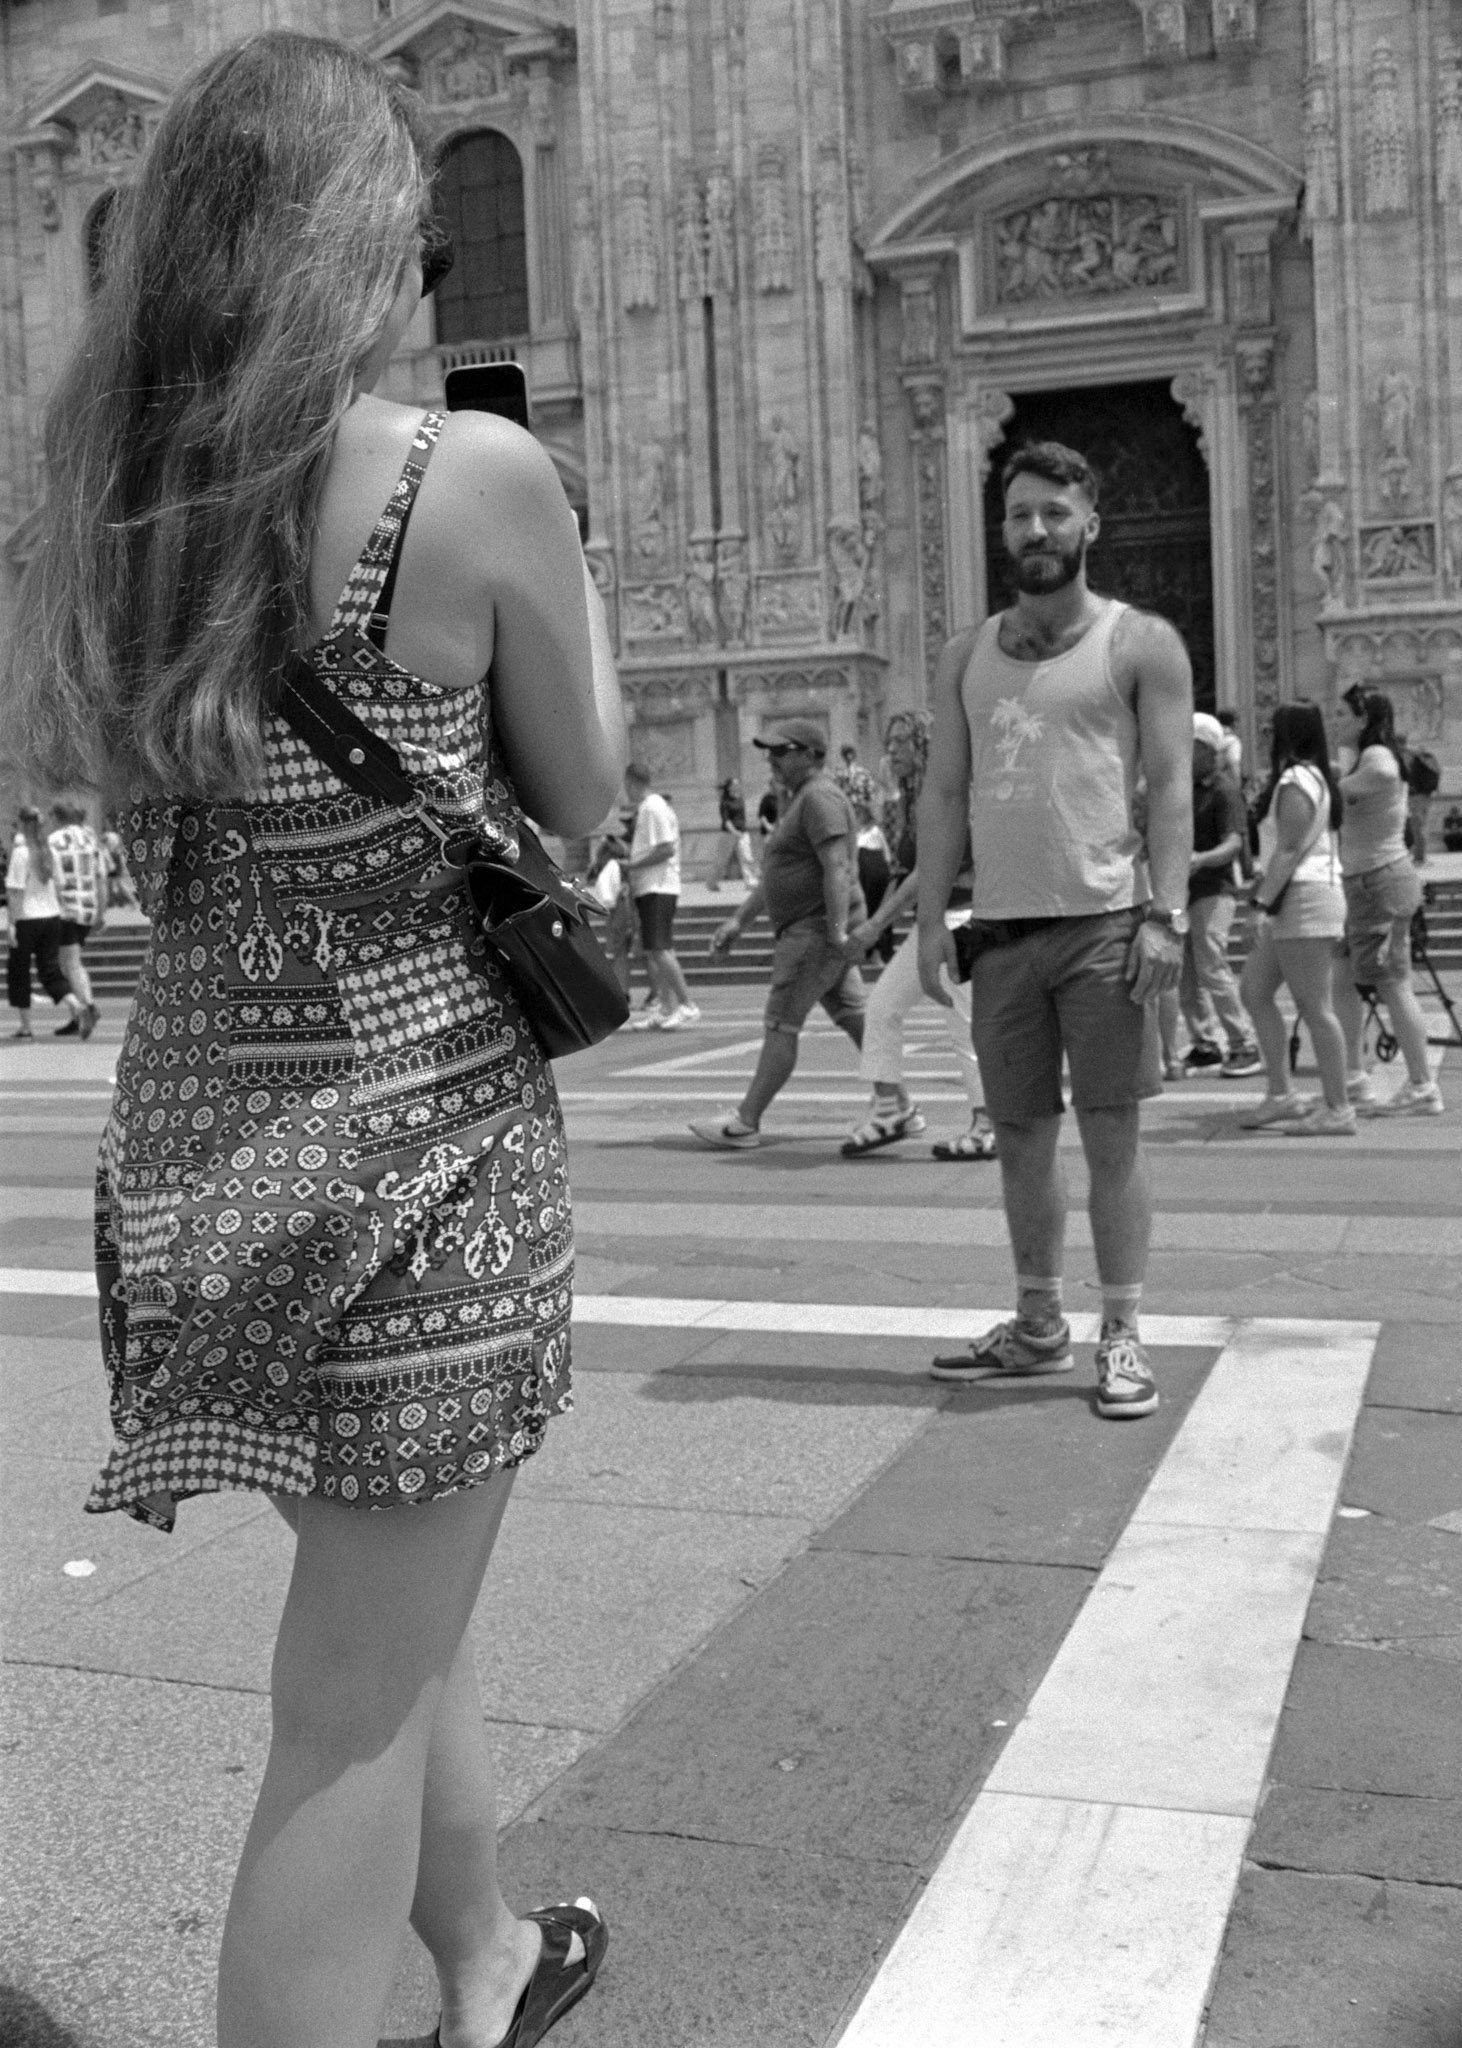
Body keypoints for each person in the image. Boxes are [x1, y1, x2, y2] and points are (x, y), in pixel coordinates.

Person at [1, 34, 625, 2048]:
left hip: (193, 1167)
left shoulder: (109, 519)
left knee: (384, 1602)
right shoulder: (467, 475)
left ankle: (487, 1948)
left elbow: (83, 775)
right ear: (362, 231)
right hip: (415, 1160)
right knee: (341, 1708)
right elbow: (584, 791)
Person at [915, 440, 1193, 1420]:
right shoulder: (966, 654)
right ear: (1004, 527)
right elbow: (942, 792)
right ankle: (1038, 1324)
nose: (1035, 529)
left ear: (1089, 524)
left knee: (1111, 1137)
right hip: (1000, 935)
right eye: (1019, 512)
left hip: (1107, 929)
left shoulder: (1140, 643)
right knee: (1020, 1139)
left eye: (1053, 512)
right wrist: (924, 918)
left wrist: (1167, 915)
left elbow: (1169, 793)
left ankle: (1121, 1332)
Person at [689, 719, 866, 1148]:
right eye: (769, 751)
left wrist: (838, 932)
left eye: (781, 751)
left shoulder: (819, 797)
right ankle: (897, 1101)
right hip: (818, 929)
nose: (771, 759)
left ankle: (746, 1121)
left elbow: (838, 868)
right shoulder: (800, 799)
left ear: (811, 754)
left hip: (814, 931)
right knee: (857, 1019)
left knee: (781, 1023)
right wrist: (739, 921)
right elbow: (778, 876)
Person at [841, 709, 997, 1161]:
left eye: (900, 742)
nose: (890, 751)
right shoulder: (913, 797)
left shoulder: (948, 793)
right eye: (889, 742)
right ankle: (891, 1107)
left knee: (962, 1024)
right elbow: (905, 870)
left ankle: (989, 1123)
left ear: (925, 744)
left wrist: (874, 926)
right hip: (933, 922)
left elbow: (930, 871)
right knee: (883, 1005)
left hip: (961, 922)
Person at [1237, 702, 1354, 1134]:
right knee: (1254, 990)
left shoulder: (1295, 779)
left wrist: (1259, 907)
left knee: (1315, 1006)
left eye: (1271, 728)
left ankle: (1338, 1107)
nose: (1265, 735)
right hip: (1299, 897)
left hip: (1303, 896)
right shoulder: (1312, 777)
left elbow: (1288, 849)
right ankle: (1280, 1093)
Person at [1331, 686, 1443, 1115]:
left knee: (1394, 983)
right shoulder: (1361, 756)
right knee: (1342, 982)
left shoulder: (1378, 759)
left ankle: (1422, 1086)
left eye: (1342, 713)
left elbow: (1334, 796)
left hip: (1379, 881)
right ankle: (1354, 1076)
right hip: (1357, 881)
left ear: (1363, 718)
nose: (1334, 719)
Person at [1178, 712, 1260, 1076]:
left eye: (1191, 748)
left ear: (1208, 750)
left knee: (1211, 961)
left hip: (1215, 886)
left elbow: (1233, 842)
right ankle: (1204, 1042)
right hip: (1184, 887)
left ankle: (1244, 1042)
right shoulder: (1183, 787)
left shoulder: (1224, 790)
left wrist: (1201, 859)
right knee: (1186, 971)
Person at [622, 761, 699, 1030]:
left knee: (660, 949)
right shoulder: (652, 807)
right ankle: (666, 1008)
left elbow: (666, 849)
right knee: (657, 950)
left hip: (658, 886)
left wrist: (632, 865)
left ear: (631, 782)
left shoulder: (652, 807)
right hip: (652, 886)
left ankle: (687, 1004)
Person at [6, 806, 90, 1039]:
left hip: (27, 918)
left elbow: (15, 891)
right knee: (50, 969)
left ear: (22, 823)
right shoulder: (47, 850)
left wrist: (11, 924)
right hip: (52, 917)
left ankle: (26, 1026)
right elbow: (61, 885)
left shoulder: (22, 853)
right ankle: (79, 1006)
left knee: (19, 972)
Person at [48, 801, 106, 1035]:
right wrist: (101, 911)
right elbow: (101, 877)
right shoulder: (91, 839)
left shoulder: (54, 841)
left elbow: (51, 878)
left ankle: (88, 1007)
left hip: (65, 909)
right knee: (68, 962)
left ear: (58, 817)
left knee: (70, 963)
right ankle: (77, 1016)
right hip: (88, 907)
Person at [584, 832, 635, 996]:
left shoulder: (612, 866)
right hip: (620, 911)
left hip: (617, 912)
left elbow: (608, 896)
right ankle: (621, 989)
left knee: (615, 952)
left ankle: (618, 990)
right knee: (620, 953)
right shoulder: (617, 866)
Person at [706, 775, 756, 890]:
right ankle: (712, 882)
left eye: (738, 784)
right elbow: (726, 820)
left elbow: (742, 817)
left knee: (747, 857)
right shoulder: (725, 802)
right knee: (722, 860)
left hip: (742, 833)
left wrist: (742, 830)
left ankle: (750, 882)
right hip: (728, 834)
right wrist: (734, 831)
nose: (737, 786)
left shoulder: (740, 799)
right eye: (734, 784)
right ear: (729, 787)